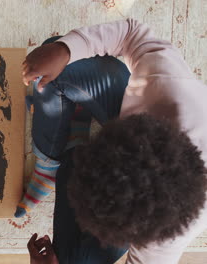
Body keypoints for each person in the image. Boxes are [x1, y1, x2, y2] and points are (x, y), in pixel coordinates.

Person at [21, 19, 207, 264]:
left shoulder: (163, 240)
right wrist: (65, 50)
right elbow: (131, 33)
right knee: (51, 57)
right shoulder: (166, 81)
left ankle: (66, 147)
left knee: (72, 260)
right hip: (145, 113)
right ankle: (48, 164)